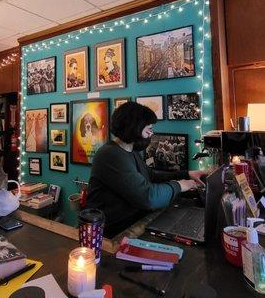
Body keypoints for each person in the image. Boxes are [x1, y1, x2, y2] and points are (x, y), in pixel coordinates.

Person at [86, 102, 206, 238]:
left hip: (132, 226)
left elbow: (151, 176)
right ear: (134, 128)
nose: (151, 133)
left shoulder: (130, 151)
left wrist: (187, 174)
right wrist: (180, 185)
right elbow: (148, 197)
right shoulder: (110, 155)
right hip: (110, 234)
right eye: (148, 129)